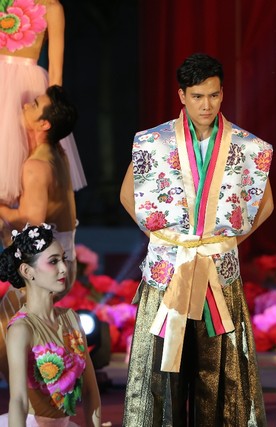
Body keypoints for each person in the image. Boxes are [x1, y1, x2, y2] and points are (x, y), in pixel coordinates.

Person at [119, 53, 274, 426]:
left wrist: (226, 243)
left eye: (214, 95)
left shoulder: (246, 146)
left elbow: (266, 205)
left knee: (217, 371)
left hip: (218, 272)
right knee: (164, 371)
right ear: (182, 96)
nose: (207, 105)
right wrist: (165, 240)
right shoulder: (154, 141)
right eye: (198, 96)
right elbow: (127, 195)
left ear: (223, 94)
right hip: (169, 271)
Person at [0, 84, 78, 382]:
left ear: (44, 124)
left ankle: (41, 400)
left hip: (46, 269)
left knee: (8, 336)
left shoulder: (36, 165)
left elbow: (31, 224)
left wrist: (3, 211)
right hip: (62, 263)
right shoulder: (58, 153)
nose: (24, 106)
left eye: (33, 104)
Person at [0, 224, 100, 427]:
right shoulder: (21, 329)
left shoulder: (72, 319)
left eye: (63, 259)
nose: (64, 268)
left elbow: (91, 391)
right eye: (53, 261)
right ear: (27, 271)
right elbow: (18, 401)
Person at [0, 0, 85, 209]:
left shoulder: (52, 8)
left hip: (26, 86)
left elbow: (56, 71)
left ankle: (16, 220)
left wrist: (53, 114)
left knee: (21, 153)